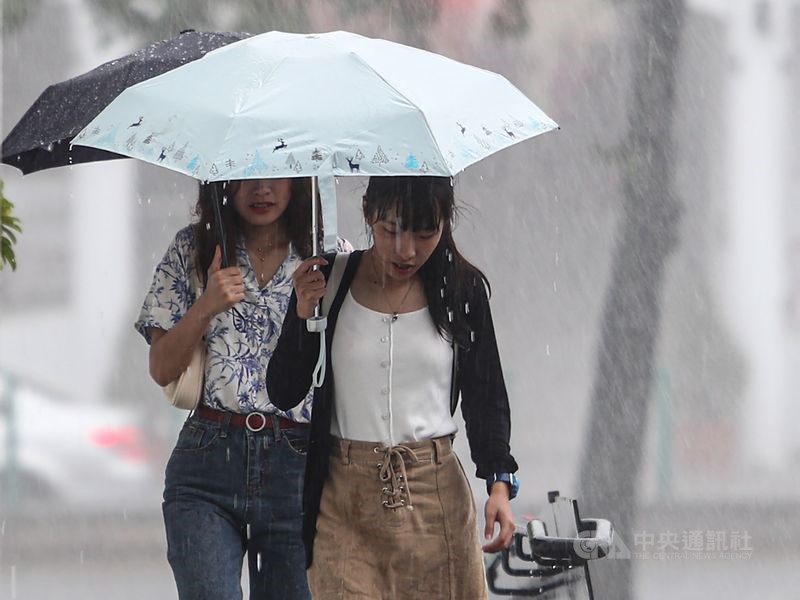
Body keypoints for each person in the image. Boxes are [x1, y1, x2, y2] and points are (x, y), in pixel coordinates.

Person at [266, 175, 519, 599]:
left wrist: (498, 485)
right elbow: (284, 391)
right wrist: (303, 313)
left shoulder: (462, 289)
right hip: (345, 498)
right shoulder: (330, 280)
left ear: (445, 224)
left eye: (425, 234)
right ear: (368, 213)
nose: (407, 251)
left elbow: (485, 395)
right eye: (391, 231)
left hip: (434, 492)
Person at [134, 178, 350, 600]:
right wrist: (206, 306)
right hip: (208, 459)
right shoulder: (192, 249)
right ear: (222, 180)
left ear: (298, 180)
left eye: (274, 176)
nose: (261, 190)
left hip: (297, 466)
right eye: (246, 176)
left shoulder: (329, 255)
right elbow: (161, 368)